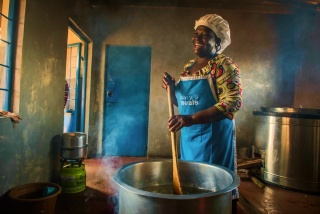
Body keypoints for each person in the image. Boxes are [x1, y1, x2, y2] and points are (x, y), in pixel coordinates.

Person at [162, 14, 242, 213]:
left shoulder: (223, 65)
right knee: (191, 189)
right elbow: (184, 105)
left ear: (218, 42)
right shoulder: (189, 67)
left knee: (215, 191)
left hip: (213, 142)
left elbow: (232, 103)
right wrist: (171, 90)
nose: (197, 38)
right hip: (189, 142)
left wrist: (190, 119)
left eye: (205, 35)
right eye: (196, 34)